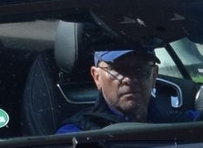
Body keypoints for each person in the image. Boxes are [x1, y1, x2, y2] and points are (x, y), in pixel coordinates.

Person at [59, 45, 195, 131]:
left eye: (140, 69)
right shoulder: (76, 135)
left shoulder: (180, 123)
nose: (130, 79)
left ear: (154, 76)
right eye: (119, 70)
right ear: (97, 77)